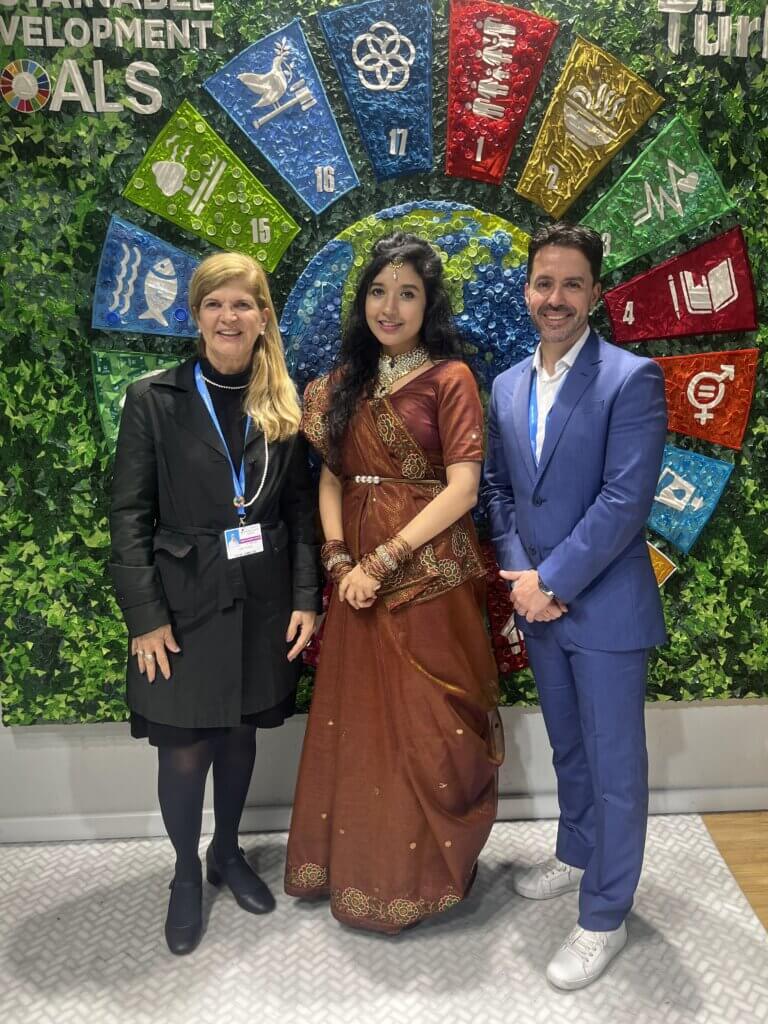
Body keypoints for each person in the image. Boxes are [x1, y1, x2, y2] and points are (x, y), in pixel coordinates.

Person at [284, 233, 504, 933]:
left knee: (429, 728)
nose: (391, 305)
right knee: (363, 726)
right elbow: (331, 478)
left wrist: (384, 562)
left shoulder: (450, 379)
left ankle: (424, 877)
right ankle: (358, 873)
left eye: (407, 292)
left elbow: (464, 488)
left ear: (428, 303)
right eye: (379, 290)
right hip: (353, 581)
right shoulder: (340, 384)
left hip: (426, 579)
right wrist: (340, 559)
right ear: (363, 301)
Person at [109, 252, 321, 955]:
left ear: (264, 318)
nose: (229, 317)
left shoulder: (284, 407)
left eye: (244, 304)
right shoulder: (154, 399)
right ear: (195, 314)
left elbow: (298, 513)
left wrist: (303, 598)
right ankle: (183, 873)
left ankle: (227, 852)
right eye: (215, 304)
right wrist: (144, 616)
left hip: (261, 600)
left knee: (238, 739)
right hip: (182, 604)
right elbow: (128, 513)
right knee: (183, 750)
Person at [483, 222, 667, 989]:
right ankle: (576, 852)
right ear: (527, 290)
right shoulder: (505, 384)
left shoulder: (632, 378)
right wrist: (524, 577)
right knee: (569, 748)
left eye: (571, 284)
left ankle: (605, 915)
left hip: (605, 607)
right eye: (543, 283)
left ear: (595, 292)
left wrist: (550, 583)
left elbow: (625, 501)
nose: (554, 299)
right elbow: (498, 492)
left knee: (617, 765)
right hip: (538, 603)